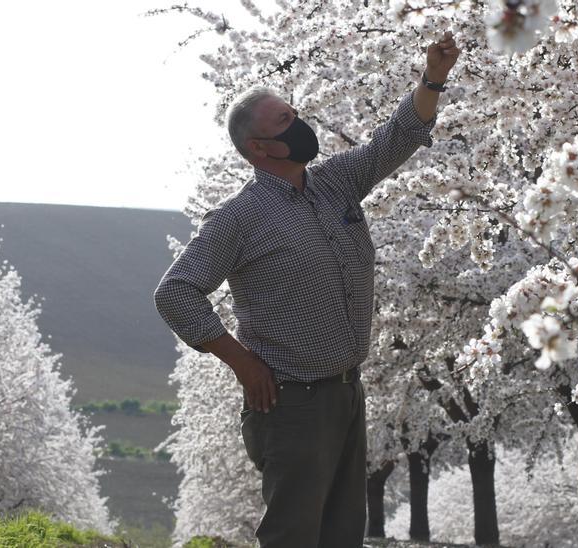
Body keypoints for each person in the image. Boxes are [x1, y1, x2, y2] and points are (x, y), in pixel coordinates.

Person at [153, 31, 461, 548]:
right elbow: (176, 293)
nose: (299, 125)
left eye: (294, 114)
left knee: (342, 536)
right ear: (259, 147)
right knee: (293, 537)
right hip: (292, 403)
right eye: (284, 122)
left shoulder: (333, 182)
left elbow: (399, 136)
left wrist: (433, 77)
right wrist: (242, 362)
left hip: (346, 392)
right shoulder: (240, 217)